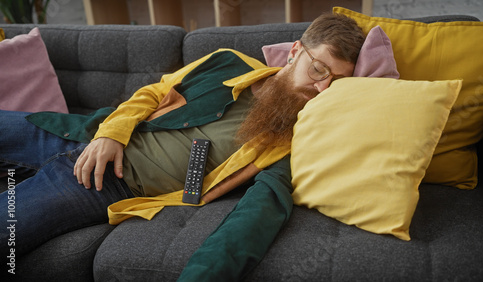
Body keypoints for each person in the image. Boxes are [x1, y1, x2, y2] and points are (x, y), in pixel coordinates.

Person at [0, 12, 365, 279]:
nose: (321, 88)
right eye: (319, 69)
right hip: (83, 132)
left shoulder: (288, 144)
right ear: (295, 52)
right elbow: (154, 92)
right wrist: (110, 133)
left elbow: (259, 214)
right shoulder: (227, 62)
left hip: (107, 184)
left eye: (336, 82)